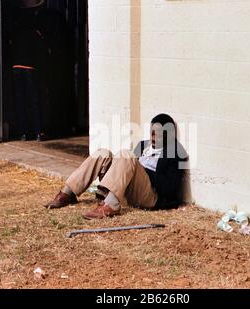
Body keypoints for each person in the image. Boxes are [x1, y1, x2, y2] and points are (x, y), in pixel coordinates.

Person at [44, 114, 189, 220]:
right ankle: (67, 193)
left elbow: (170, 190)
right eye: (151, 131)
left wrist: (144, 172)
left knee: (126, 154)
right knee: (103, 153)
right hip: (128, 188)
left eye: (157, 133)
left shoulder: (175, 152)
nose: (152, 136)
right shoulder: (143, 145)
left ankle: (111, 206)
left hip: (150, 196)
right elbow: (126, 167)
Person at [11, 0, 48, 141]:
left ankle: (24, 132)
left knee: (20, 101)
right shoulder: (35, 31)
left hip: (16, 67)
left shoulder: (15, 29)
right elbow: (42, 52)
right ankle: (39, 131)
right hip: (30, 68)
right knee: (34, 100)